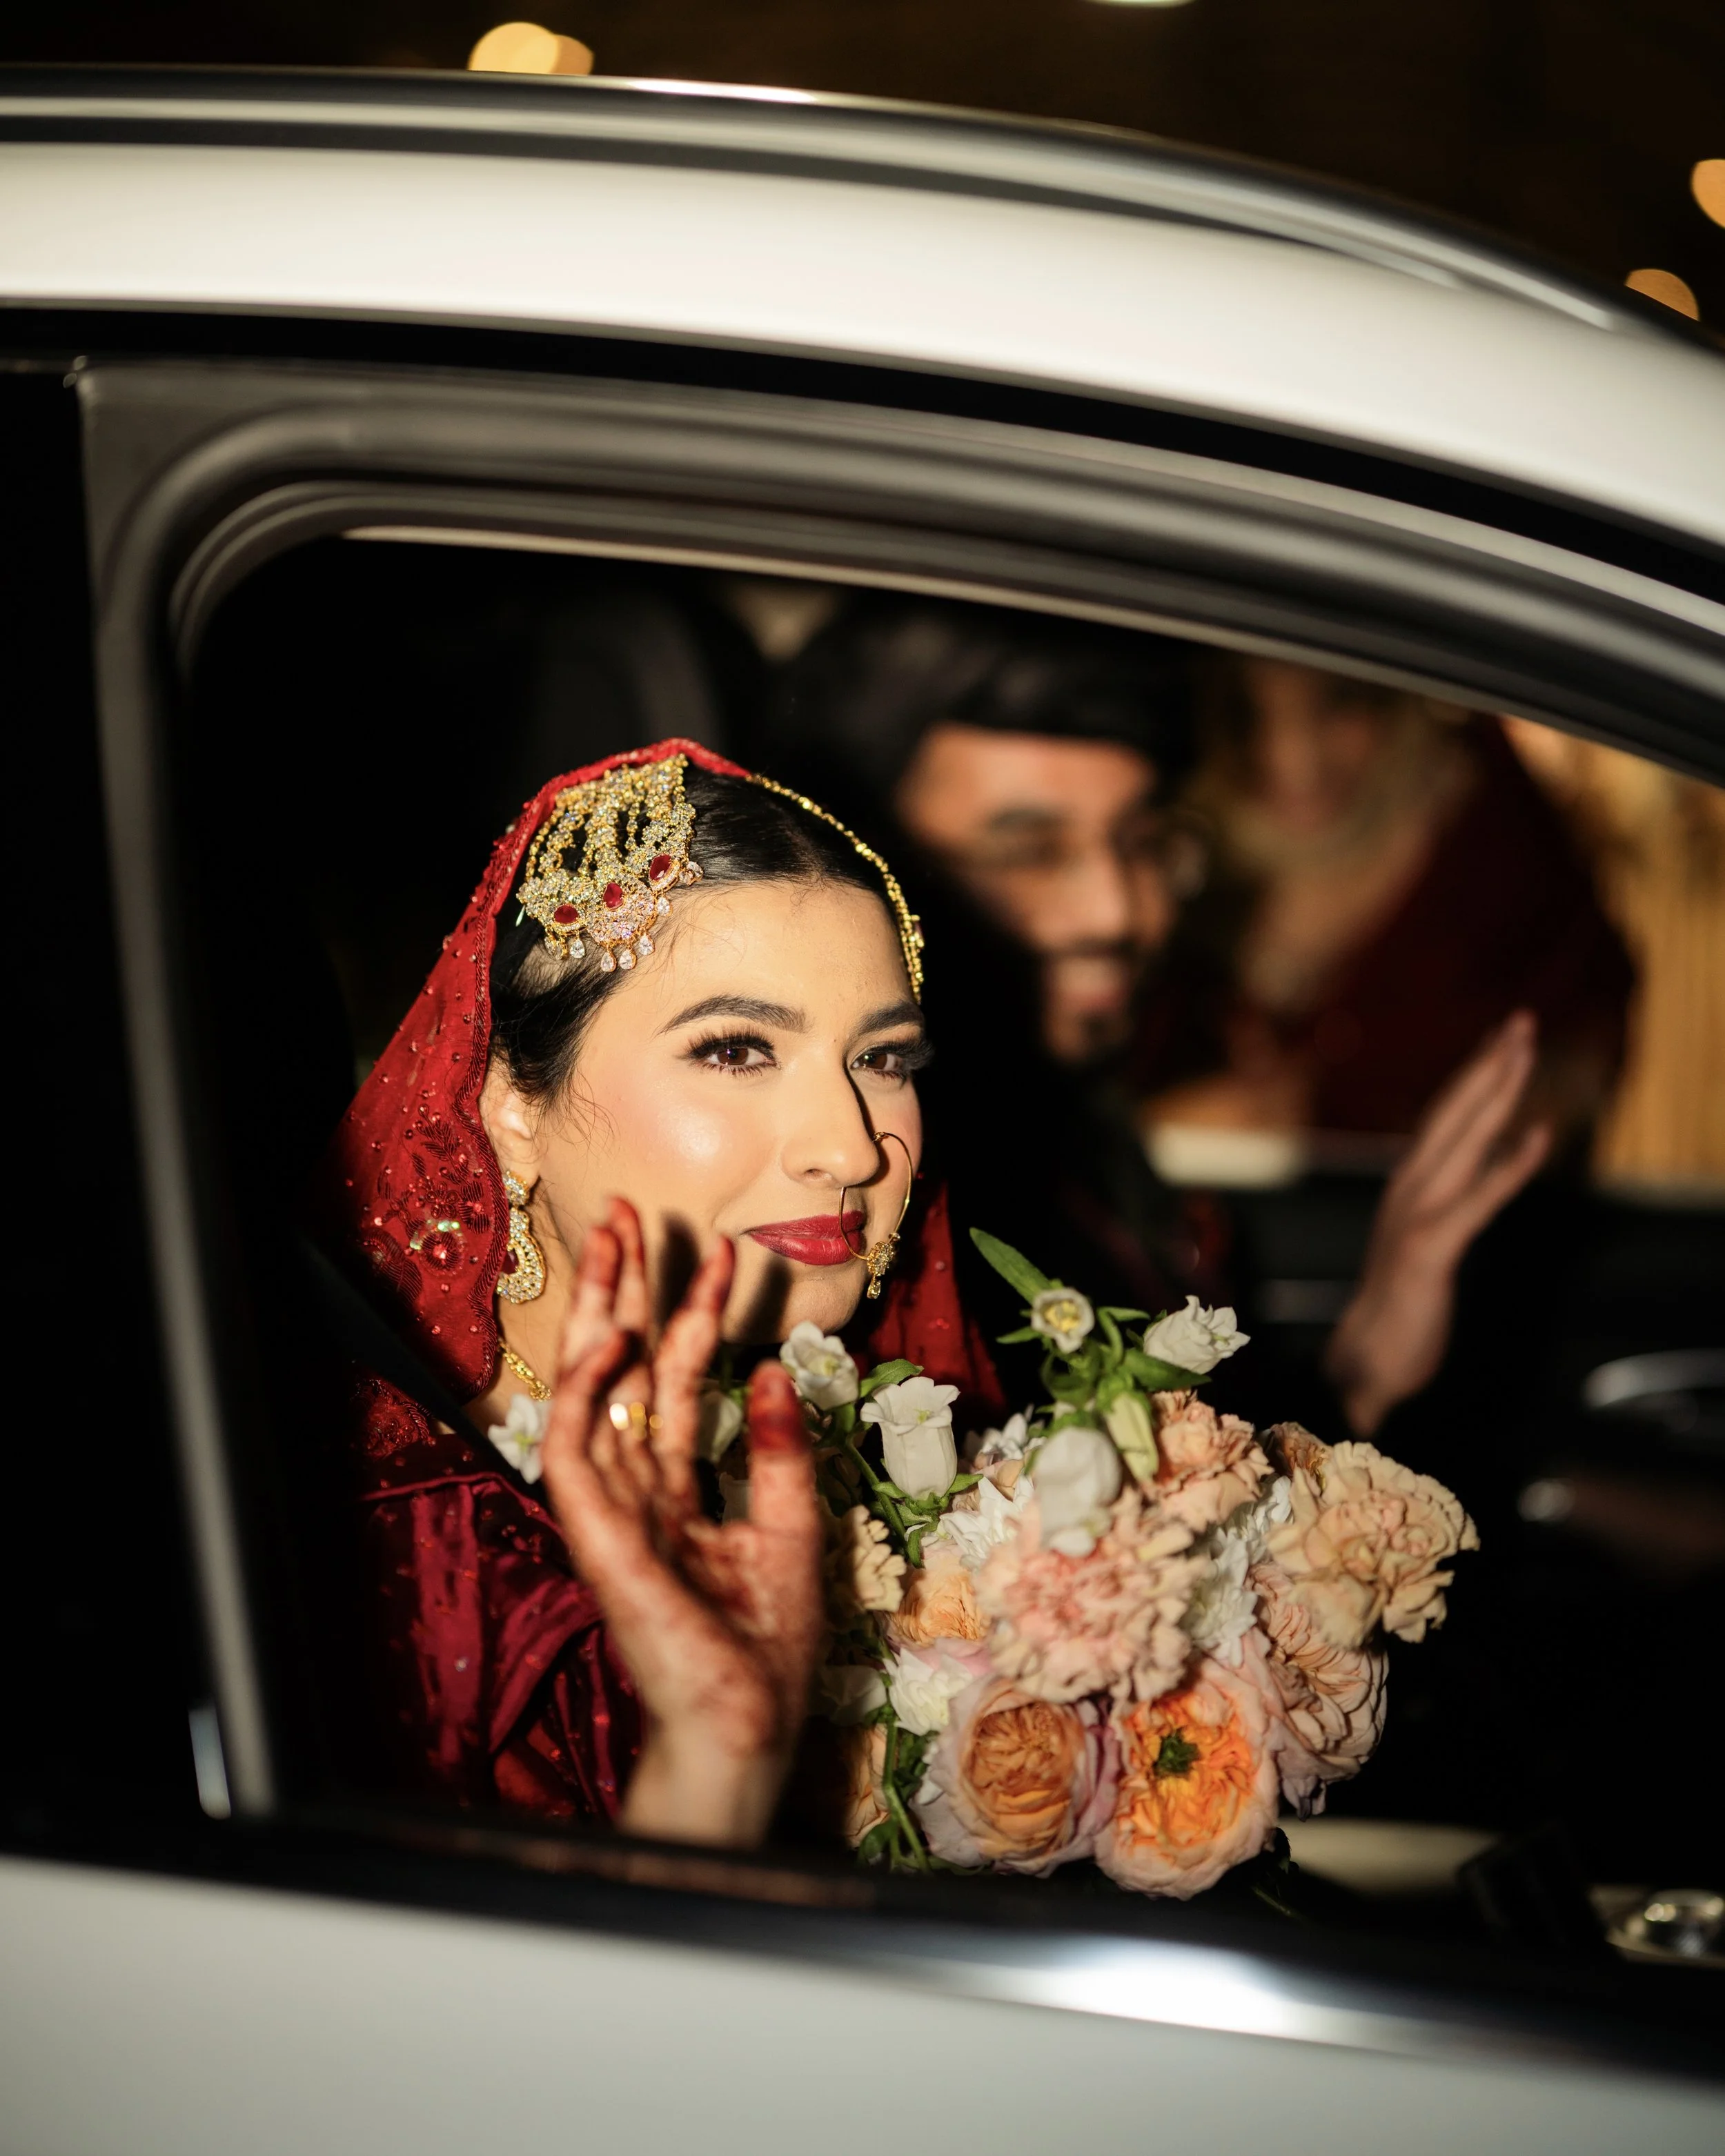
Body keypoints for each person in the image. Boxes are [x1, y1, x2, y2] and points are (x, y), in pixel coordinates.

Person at [317, 740, 1000, 1845]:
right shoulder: (403, 1547)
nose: (850, 1149)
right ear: (511, 1108)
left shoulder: (884, 1447)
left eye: (884, 1059)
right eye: (735, 1051)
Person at [762, 597, 1550, 1441]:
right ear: (864, 870)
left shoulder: (1061, 1122)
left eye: (1140, 842)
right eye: (1029, 851)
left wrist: (1366, 1357)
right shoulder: (868, 1206)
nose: (1115, 910)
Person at [1136, 659, 1635, 1149]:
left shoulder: (1488, 835)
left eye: (1340, 702)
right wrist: (1167, 1133)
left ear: (1395, 696)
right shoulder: (1162, 846)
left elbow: (1588, 1024)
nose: (1294, 760)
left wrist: (1518, 1121)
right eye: (1245, 712)